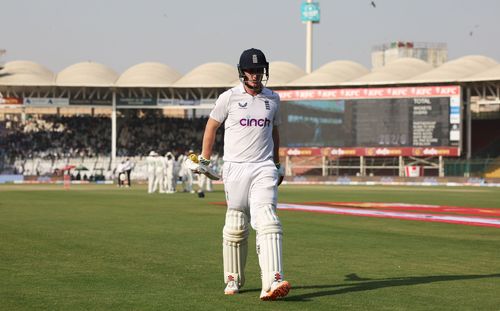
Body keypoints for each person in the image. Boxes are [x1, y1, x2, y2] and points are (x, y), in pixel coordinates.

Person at [193, 48, 288, 300]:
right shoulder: (229, 98)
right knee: (236, 224)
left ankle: (273, 280)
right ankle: (233, 278)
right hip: (235, 167)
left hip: (263, 166)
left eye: (259, 70)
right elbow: (212, 125)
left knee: (268, 218)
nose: (255, 75)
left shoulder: (273, 99)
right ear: (242, 72)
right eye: (251, 70)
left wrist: (277, 163)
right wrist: (204, 159)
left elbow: (275, 132)